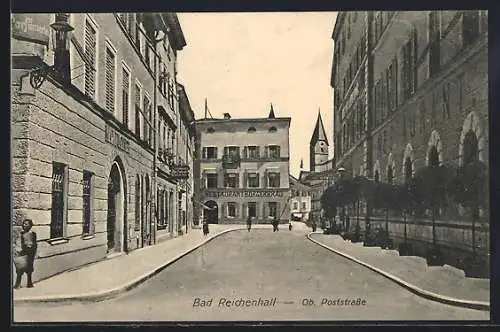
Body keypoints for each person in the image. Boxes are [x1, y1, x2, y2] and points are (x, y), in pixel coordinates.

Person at [14, 219, 37, 289]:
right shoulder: (21, 233)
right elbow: (19, 242)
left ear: (30, 225)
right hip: (23, 253)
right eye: (23, 224)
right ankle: (17, 284)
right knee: (20, 269)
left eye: (26, 224)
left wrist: (33, 252)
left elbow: (34, 244)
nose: (24, 225)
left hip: (30, 253)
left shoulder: (33, 234)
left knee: (29, 269)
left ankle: (29, 283)